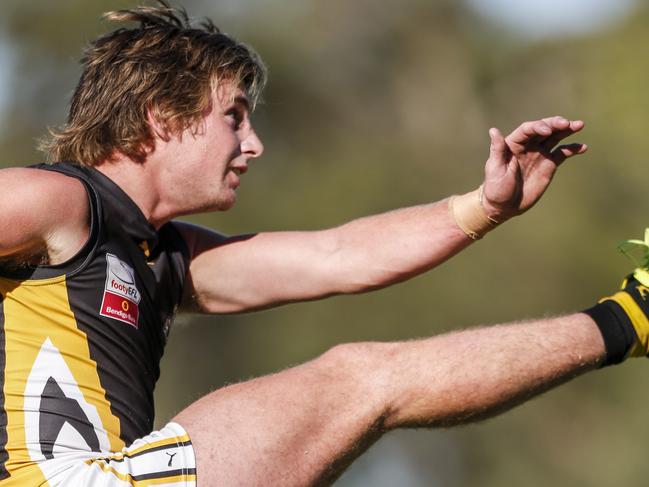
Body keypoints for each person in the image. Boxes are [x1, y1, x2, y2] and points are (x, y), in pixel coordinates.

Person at [0, 1, 645, 486]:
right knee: (363, 378)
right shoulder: (58, 201)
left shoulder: (166, 253)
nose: (252, 144)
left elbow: (341, 255)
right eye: (233, 116)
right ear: (161, 117)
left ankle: (633, 316)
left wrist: (485, 207)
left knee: (369, 379)